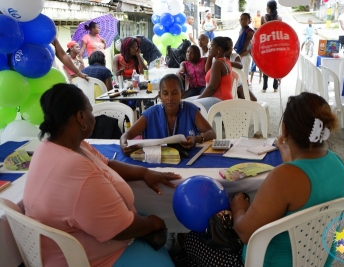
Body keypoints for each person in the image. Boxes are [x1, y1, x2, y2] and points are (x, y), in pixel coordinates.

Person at [184, 92, 344, 267]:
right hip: (318, 260)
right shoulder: (338, 165)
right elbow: (300, 170)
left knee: (193, 239)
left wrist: (240, 210)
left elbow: (245, 233)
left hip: (266, 262)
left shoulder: (282, 177)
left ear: (284, 129)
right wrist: (283, 148)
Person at [24, 84, 181, 267]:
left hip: (65, 248)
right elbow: (121, 228)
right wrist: (154, 224)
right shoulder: (76, 170)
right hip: (86, 259)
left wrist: (144, 172)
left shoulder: (57, 146)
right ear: (81, 117)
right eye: (90, 111)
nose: (94, 117)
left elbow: (107, 164)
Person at [120, 74, 216, 155]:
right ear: (160, 96)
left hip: (188, 159)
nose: (170, 98)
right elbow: (127, 134)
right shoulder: (151, 114)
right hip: (155, 162)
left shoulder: (190, 110)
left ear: (182, 94)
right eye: (165, 94)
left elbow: (211, 133)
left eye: (174, 93)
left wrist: (197, 138)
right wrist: (123, 144)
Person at [187, 36, 233, 111]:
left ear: (219, 49)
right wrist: (210, 55)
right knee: (185, 102)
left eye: (211, 46)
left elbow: (212, 88)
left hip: (220, 101)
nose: (209, 48)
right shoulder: (225, 60)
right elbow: (208, 71)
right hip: (221, 99)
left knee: (188, 106)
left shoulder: (218, 63)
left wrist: (198, 99)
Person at [225, 37, 257, 101]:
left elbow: (240, 65)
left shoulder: (234, 56)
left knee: (253, 99)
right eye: (228, 46)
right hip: (226, 87)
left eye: (231, 46)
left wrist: (226, 62)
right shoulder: (217, 59)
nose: (230, 49)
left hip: (238, 85)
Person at [261, 0, 281, 93]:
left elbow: (264, 29)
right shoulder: (278, 18)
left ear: (269, 8)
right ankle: (272, 87)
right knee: (272, 66)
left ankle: (268, 87)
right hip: (275, 45)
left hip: (268, 45)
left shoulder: (265, 18)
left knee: (270, 66)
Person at [234, 13, 254, 85]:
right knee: (240, 73)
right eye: (242, 19)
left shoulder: (249, 31)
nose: (243, 21)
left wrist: (249, 50)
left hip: (246, 55)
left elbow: (254, 43)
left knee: (244, 75)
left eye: (245, 19)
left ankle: (245, 90)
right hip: (241, 54)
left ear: (249, 21)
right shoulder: (242, 30)